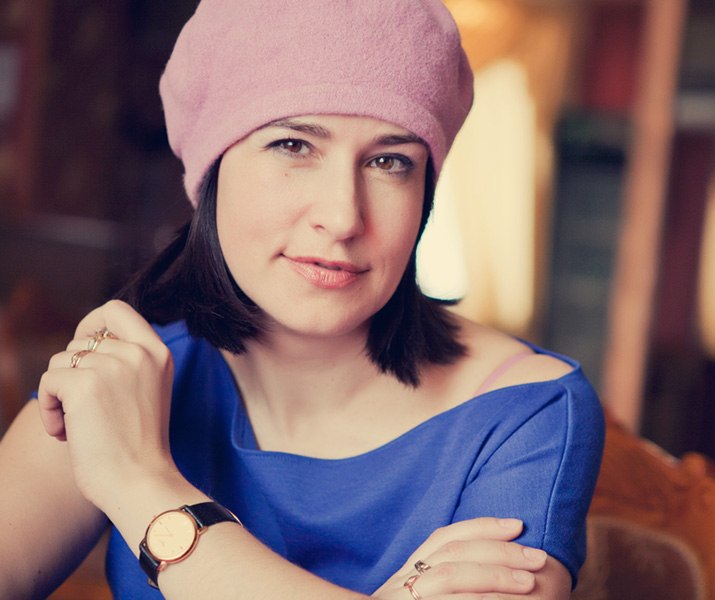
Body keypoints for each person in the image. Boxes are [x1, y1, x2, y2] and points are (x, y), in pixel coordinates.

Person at [0, 1, 605, 598]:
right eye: (293, 146)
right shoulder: (126, 377)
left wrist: (141, 484)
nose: (343, 217)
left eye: (390, 161)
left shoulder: (526, 410)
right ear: (211, 170)